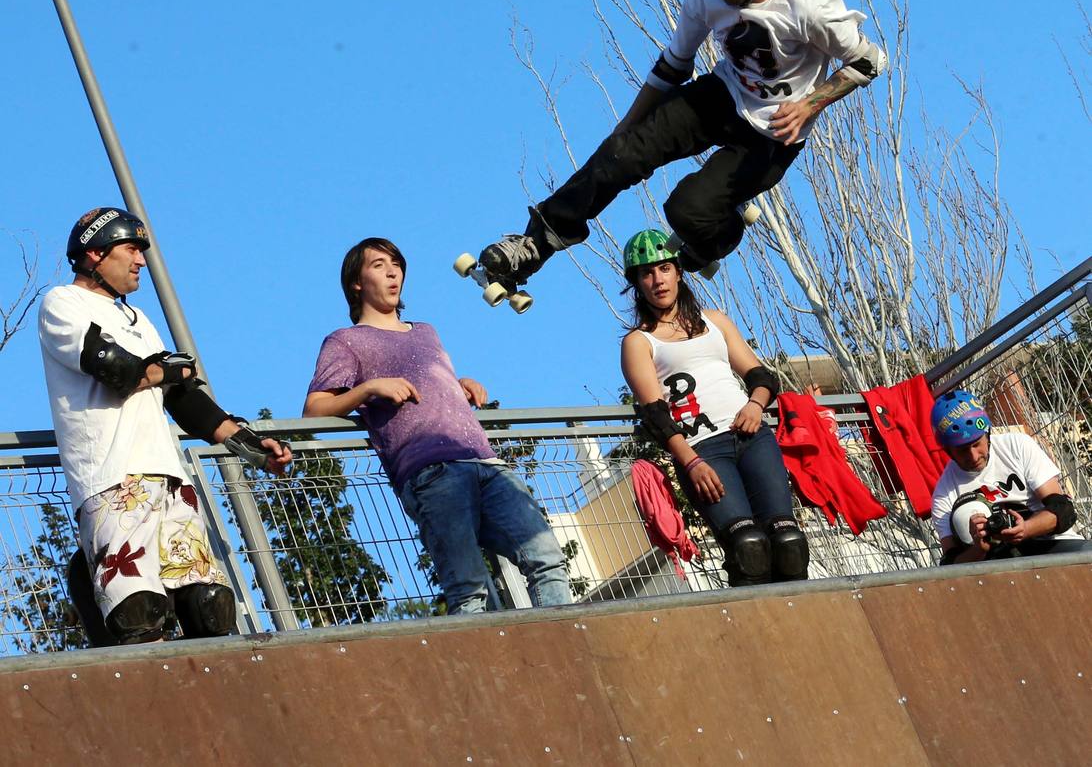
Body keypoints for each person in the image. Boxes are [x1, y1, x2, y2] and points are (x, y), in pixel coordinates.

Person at [476, 0, 885, 290]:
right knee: (621, 152)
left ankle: (718, 227)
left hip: (774, 133)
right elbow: (673, 66)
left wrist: (809, 104)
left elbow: (870, 61)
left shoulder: (812, 4)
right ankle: (536, 244)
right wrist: (626, 129)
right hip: (722, 94)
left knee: (686, 211)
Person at [38, 207, 292, 646]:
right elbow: (114, 370)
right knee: (138, 614)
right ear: (96, 253)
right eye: (132, 249)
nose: (141, 261)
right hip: (113, 480)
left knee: (210, 607)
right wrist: (167, 370)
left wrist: (250, 444)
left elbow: (182, 398)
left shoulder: (140, 321)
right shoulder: (63, 303)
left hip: (172, 479)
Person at [303, 237, 572, 614]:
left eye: (396, 263)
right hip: (430, 473)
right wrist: (368, 388)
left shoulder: (426, 331)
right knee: (468, 588)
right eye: (378, 265)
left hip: (483, 461)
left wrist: (458, 384)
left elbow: (433, 382)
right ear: (356, 283)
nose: (392, 270)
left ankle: (561, 653)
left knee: (547, 558)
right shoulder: (346, 341)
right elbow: (314, 410)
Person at [618, 228, 808, 586]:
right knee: (747, 546)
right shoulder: (638, 341)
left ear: (678, 271)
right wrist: (690, 462)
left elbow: (762, 377)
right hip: (704, 450)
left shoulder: (716, 321)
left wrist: (755, 405)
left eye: (664, 269)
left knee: (788, 542)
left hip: (752, 436)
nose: (657, 280)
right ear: (637, 283)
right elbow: (655, 416)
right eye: (647, 273)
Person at [930, 390, 1089, 564]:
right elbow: (949, 564)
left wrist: (1025, 529)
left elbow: (1063, 510)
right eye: (962, 451)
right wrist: (978, 549)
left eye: (977, 444)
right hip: (996, 562)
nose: (974, 456)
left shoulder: (1017, 445)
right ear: (948, 451)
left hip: (1052, 543)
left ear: (988, 434)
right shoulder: (943, 495)